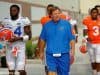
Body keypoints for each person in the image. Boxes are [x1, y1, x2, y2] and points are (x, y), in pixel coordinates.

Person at [39, 6, 75, 75]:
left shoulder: (66, 24)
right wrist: (41, 52)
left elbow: (71, 39)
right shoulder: (46, 26)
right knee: (51, 72)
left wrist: (73, 51)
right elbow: (42, 39)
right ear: (51, 15)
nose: (57, 15)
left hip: (64, 54)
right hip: (50, 55)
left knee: (64, 73)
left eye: (59, 13)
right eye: (55, 13)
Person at [1, 5, 31, 75]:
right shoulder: (5, 21)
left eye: (14, 10)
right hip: (9, 47)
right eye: (11, 10)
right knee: (11, 70)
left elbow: (29, 36)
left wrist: (18, 38)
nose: (12, 12)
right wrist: (4, 39)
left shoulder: (24, 20)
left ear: (18, 11)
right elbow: (1, 33)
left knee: (21, 69)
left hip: (20, 47)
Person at [82, 8, 100, 75]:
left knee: (98, 59)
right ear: (91, 13)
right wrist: (86, 38)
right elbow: (84, 32)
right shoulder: (87, 21)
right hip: (90, 43)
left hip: (98, 43)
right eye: (93, 12)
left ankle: (98, 73)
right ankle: (94, 72)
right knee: (92, 59)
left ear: (97, 13)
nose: (94, 14)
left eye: (95, 12)